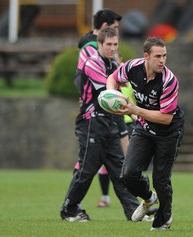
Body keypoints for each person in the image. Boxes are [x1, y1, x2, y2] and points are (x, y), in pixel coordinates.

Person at [60, 27, 142, 222]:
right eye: (109, 44)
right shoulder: (93, 63)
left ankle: (133, 210)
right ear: (99, 45)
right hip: (91, 122)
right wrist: (135, 109)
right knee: (87, 169)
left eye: (115, 44)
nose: (112, 48)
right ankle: (69, 209)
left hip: (109, 122)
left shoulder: (113, 65)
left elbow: (125, 89)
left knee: (119, 168)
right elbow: (110, 93)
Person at [107, 37, 185, 231]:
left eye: (164, 56)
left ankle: (163, 219)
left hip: (168, 132)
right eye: (158, 56)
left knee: (161, 179)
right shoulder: (133, 67)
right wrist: (111, 96)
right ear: (146, 57)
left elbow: (165, 118)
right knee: (128, 174)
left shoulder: (169, 80)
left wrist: (134, 110)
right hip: (144, 127)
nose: (162, 60)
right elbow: (114, 78)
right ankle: (149, 199)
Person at [73, 8, 127, 208]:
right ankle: (72, 205)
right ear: (104, 28)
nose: (116, 36)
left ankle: (133, 205)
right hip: (97, 112)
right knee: (89, 164)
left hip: (109, 110)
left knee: (116, 161)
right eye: (114, 29)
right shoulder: (91, 50)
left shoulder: (107, 53)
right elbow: (94, 81)